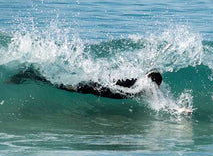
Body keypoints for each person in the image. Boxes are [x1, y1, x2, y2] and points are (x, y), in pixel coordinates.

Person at [8, 66, 162, 99]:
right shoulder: (134, 89)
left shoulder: (137, 81)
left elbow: (165, 101)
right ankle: (30, 75)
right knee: (60, 86)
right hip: (92, 87)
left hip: (97, 83)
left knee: (61, 84)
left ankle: (32, 74)